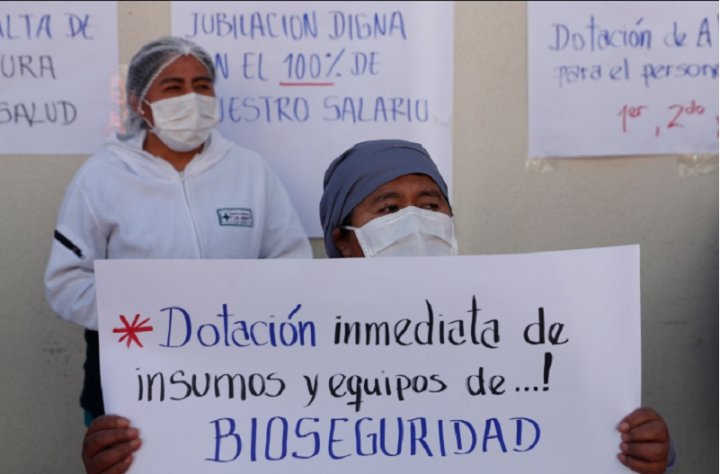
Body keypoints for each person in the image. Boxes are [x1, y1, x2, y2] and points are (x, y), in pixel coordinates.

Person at [80, 140, 674, 473]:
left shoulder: (523, 328)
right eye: (388, 208)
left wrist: (648, 453)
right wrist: (138, 454)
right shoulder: (273, 342)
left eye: (430, 202)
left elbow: (574, 429)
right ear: (343, 238)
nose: (415, 218)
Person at [44, 35, 311, 469]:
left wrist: (245, 306)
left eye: (203, 85)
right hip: (133, 383)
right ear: (138, 101)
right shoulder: (102, 177)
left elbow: (292, 262)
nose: (192, 97)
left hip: (239, 377)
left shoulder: (250, 171)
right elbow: (66, 283)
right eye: (173, 87)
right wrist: (149, 315)